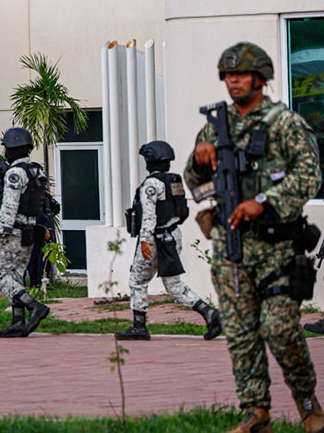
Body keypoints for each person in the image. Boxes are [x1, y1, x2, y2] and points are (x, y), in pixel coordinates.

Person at [184, 42, 323, 433]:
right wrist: (198, 158)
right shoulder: (214, 125)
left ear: (260, 78)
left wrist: (264, 200)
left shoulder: (284, 123)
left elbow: (310, 176)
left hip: (278, 248)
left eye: (242, 74)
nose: (234, 81)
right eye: (229, 75)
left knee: (279, 328)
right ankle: (256, 413)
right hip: (230, 248)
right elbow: (194, 185)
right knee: (241, 334)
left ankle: (308, 402)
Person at [116, 140, 221, 341]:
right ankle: (209, 313)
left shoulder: (150, 185)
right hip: (173, 235)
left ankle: (139, 326)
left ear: (149, 161)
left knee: (137, 281)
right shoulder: (174, 180)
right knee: (173, 283)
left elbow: (149, 216)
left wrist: (145, 241)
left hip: (155, 238)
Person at [0, 127, 51, 338]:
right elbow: (43, 203)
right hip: (30, 230)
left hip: (13, 231)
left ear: (12, 149)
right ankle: (17, 321)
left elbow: (9, 204)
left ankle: (34, 306)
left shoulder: (15, 173)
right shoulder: (37, 171)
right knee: (15, 275)